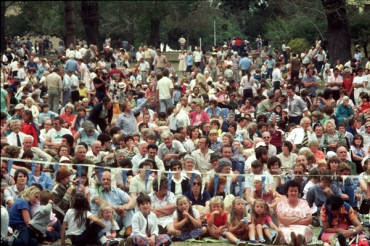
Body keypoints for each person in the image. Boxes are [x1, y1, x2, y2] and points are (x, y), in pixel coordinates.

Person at [276, 180, 313, 245]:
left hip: (302, 226)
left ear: (298, 192)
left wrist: (290, 220)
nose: (293, 193)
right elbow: (282, 220)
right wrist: (298, 218)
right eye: (291, 191)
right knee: (286, 231)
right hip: (286, 227)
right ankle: (294, 241)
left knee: (303, 230)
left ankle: (298, 239)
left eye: (295, 191)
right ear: (287, 192)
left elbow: (309, 219)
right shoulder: (281, 204)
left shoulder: (304, 203)